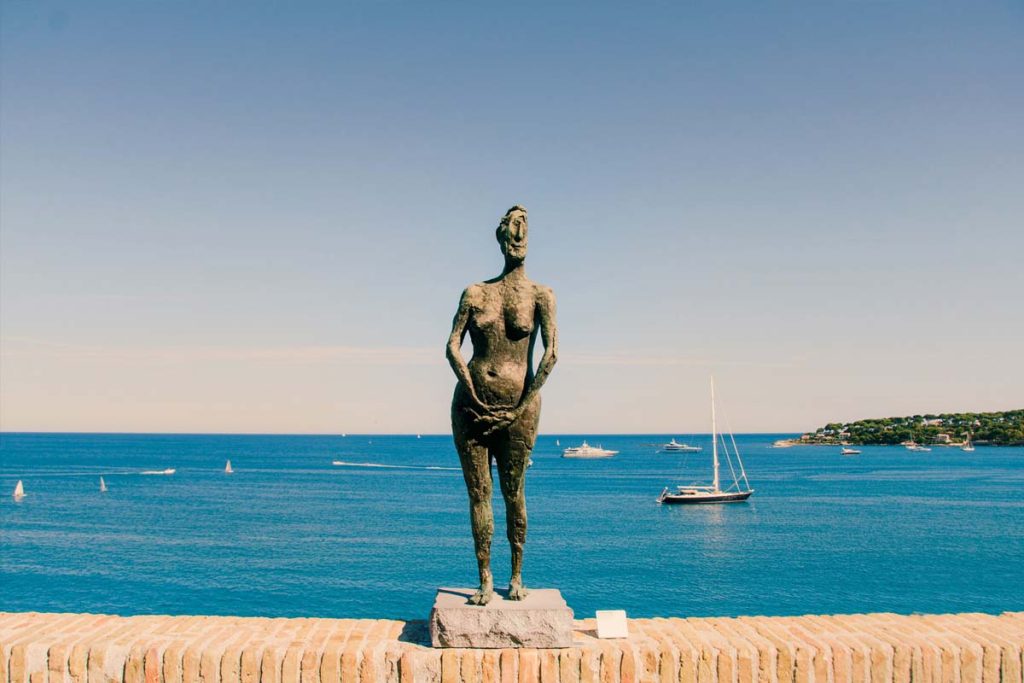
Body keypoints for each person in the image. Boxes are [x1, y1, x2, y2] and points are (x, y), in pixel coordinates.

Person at [446, 205, 558, 605]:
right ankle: (485, 578)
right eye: (512, 226)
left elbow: (550, 354)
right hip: (471, 410)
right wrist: (472, 391)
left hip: (519, 412)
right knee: (479, 495)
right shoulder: (475, 293)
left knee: (514, 493)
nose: (518, 233)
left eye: (524, 226)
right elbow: (452, 345)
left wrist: (521, 406)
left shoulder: (541, 295)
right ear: (501, 238)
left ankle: (516, 577)